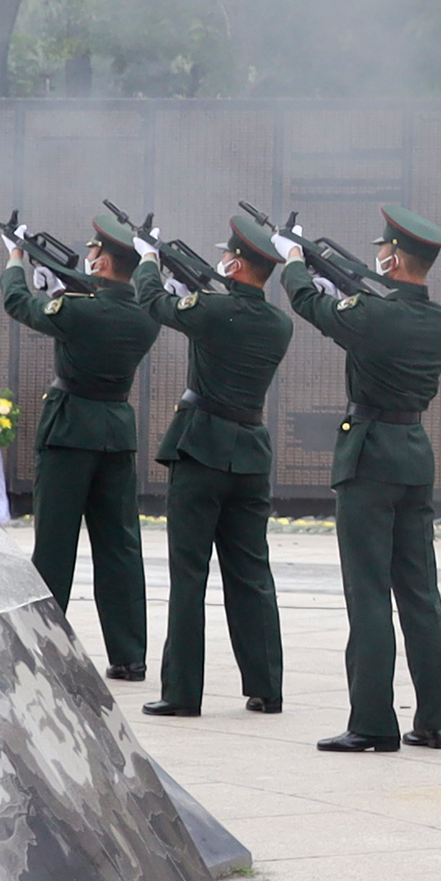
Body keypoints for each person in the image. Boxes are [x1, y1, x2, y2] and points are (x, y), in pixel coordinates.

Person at [288, 209, 441, 753]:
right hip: (413, 452)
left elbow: (308, 304)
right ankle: (436, 720)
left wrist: (295, 260)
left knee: (367, 592)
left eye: (382, 251)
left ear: (390, 256)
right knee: (420, 593)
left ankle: (372, 722)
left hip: (368, 455)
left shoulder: (372, 315)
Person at [0, 210, 166, 682]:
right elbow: (93, 313)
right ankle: (129, 655)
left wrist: (15, 258)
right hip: (115, 433)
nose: (88, 256)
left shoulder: (80, 309)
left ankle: (42, 646)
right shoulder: (145, 317)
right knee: (119, 548)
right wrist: (61, 287)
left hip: (70, 431)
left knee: (54, 545)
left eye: (93, 252)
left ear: (105, 263)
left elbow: (18, 303)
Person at [146, 218, 294, 719]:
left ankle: (182, 692)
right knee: (251, 573)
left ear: (234, 262)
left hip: (201, 449)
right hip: (250, 453)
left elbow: (154, 303)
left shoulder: (211, 309)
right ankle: (266, 686)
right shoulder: (279, 324)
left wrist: (149, 260)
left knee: (189, 576)